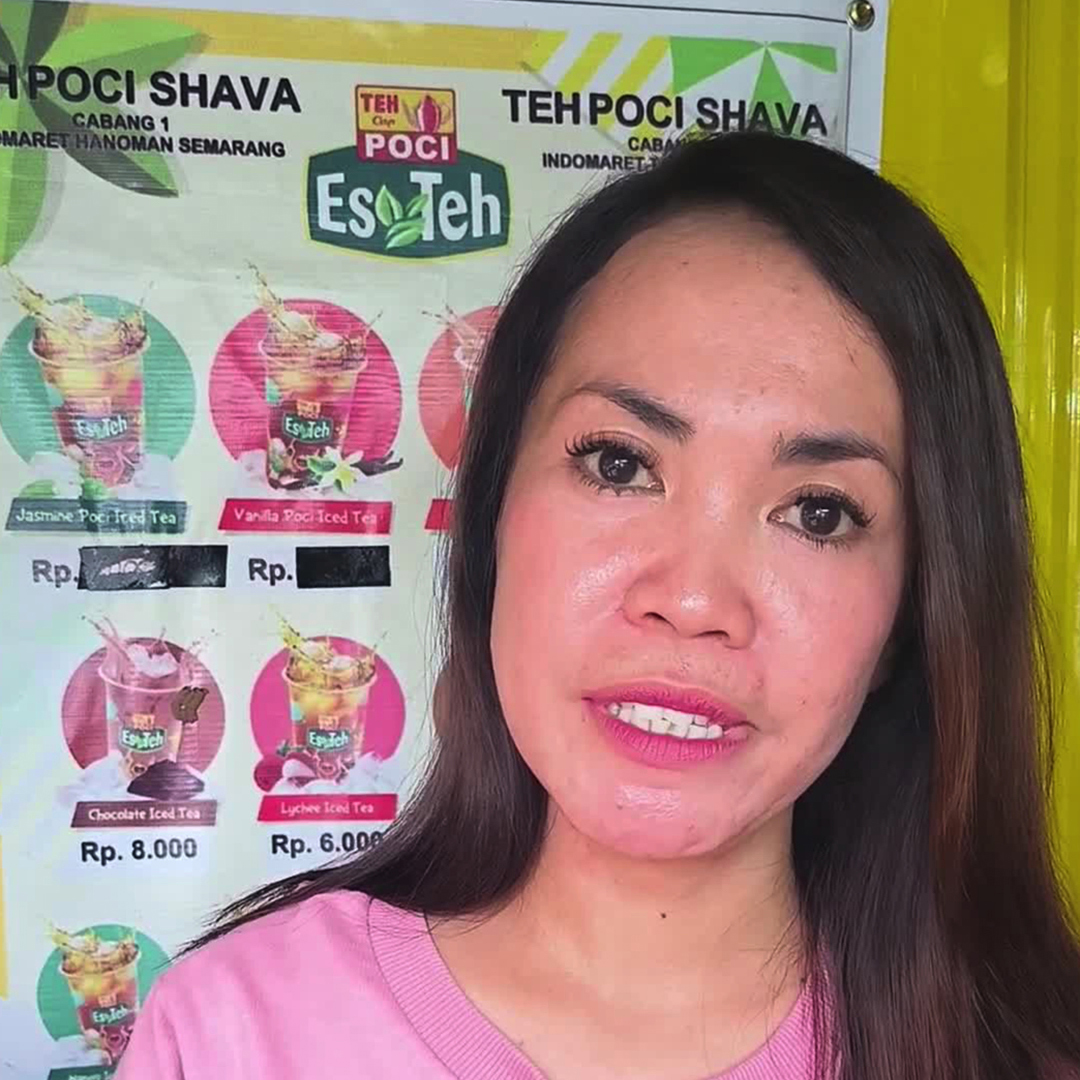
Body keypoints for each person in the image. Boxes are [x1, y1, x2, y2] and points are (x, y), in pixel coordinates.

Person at [117, 132, 1080, 1080]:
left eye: (817, 513)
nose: (694, 600)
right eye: (619, 464)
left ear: (909, 617)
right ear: (494, 514)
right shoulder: (229, 1038)